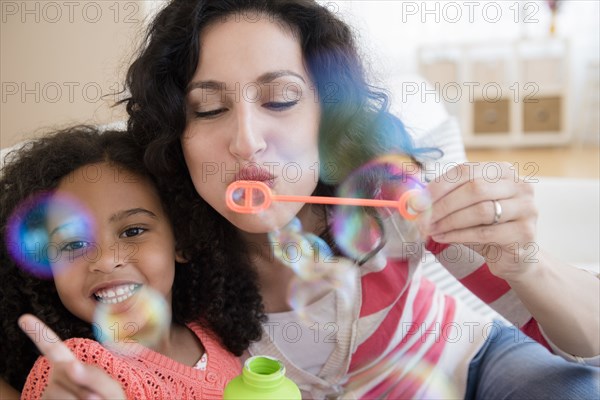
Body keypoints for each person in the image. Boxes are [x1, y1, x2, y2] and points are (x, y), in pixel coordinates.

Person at [2, 0, 598, 398]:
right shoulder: (168, 258)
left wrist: (527, 262)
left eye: (281, 99)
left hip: (469, 364)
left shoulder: (396, 205)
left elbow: (587, 348)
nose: (246, 140)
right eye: (209, 108)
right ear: (176, 138)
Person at [0, 126, 265, 399]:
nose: (105, 260)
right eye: (73, 245)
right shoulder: (77, 370)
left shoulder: (212, 328)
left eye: (133, 231)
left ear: (182, 241)